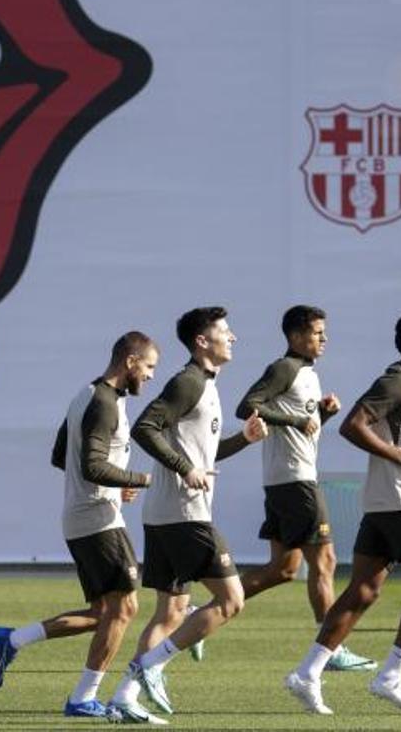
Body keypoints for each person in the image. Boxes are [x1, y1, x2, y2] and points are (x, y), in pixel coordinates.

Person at [285, 310, 401, 716]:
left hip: (383, 503)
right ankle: (391, 676)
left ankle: (307, 672)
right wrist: (397, 455)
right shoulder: (398, 379)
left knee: (363, 592)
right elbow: (352, 425)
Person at [0, 332, 159, 721]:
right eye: (148, 367)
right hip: (97, 518)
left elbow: (60, 456)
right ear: (131, 361)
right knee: (125, 608)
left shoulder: (87, 395)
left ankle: (12, 639)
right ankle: (83, 698)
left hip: (88, 515)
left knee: (103, 612)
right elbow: (92, 466)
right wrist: (141, 480)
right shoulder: (103, 403)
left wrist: (116, 486)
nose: (149, 377)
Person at [107, 307, 266, 720]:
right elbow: (145, 427)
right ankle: (148, 667)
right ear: (202, 341)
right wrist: (185, 468)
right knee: (231, 600)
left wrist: (243, 440)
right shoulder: (189, 381)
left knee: (171, 612)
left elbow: (203, 456)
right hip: (183, 515)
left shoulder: (206, 384)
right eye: (225, 332)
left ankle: (124, 697)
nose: (233, 338)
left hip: (165, 513)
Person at [234, 305, 374, 671]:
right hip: (296, 482)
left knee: (283, 570)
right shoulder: (285, 368)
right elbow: (246, 407)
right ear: (295, 336)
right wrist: (298, 418)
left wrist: (322, 414)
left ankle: (202, 612)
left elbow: (299, 429)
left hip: (285, 481)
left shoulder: (308, 372)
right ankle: (330, 649)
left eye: (324, 332)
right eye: (316, 332)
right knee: (324, 562)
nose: (324, 338)